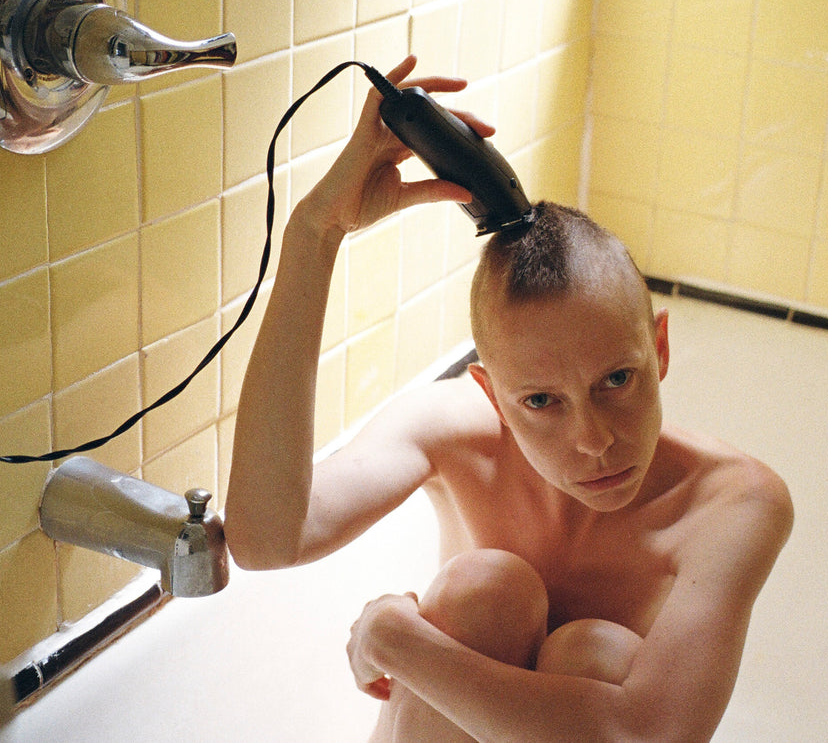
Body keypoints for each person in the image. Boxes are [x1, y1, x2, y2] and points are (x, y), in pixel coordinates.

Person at [225, 56, 792, 742]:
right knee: (484, 591)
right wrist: (314, 232)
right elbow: (262, 540)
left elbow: (647, 735)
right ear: (490, 393)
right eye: (540, 401)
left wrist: (393, 637)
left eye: (616, 379)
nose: (593, 439)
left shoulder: (732, 502)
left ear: (659, 348)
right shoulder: (451, 431)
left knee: (594, 653)